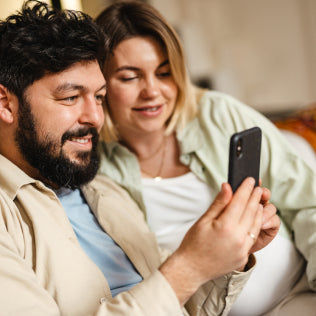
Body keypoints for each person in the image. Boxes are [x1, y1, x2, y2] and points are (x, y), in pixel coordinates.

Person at [0, 1, 280, 315]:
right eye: (70, 97)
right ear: (6, 103)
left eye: (99, 97)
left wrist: (230, 253)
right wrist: (190, 266)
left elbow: (183, 306)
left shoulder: (106, 191)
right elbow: (177, 281)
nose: (95, 117)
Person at [95, 1, 316, 315]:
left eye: (164, 72)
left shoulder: (217, 113)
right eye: (130, 77)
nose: (152, 91)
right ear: (100, 84)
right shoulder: (95, 171)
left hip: (302, 291)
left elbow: (309, 203)